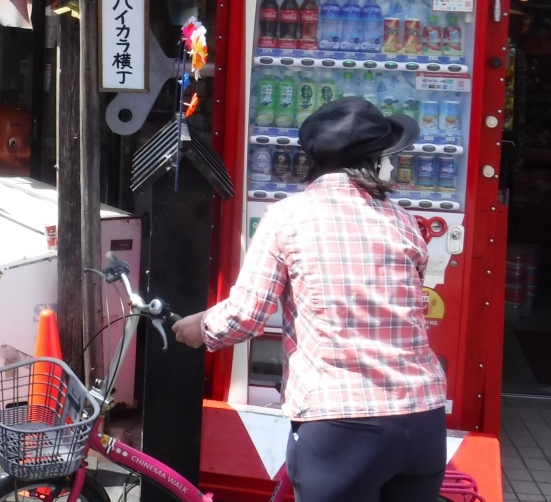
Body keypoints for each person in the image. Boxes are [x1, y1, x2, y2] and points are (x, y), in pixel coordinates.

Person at [173, 96, 447, 502]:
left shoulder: (287, 217)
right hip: (423, 421)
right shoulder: (404, 220)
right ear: (375, 162)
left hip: (342, 426)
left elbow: (246, 315)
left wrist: (199, 328)